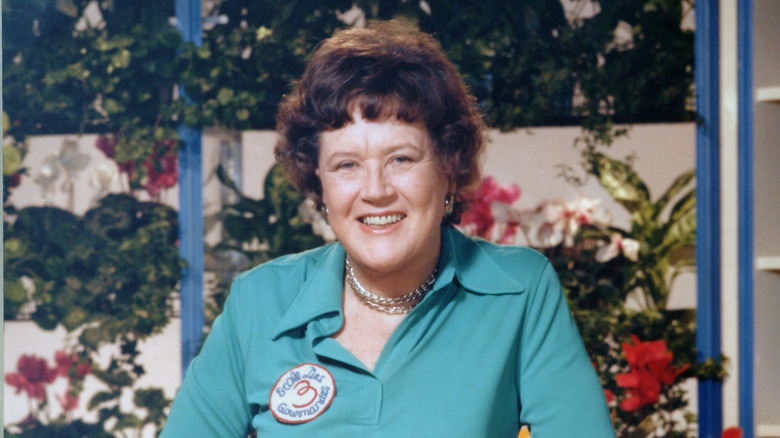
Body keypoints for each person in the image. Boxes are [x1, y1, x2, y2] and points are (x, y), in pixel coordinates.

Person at [161, 20, 614, 437]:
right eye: (347, 165)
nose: (375, 191)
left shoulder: (519, 291)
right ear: (317, 181)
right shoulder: (259, 302)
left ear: (448, 167)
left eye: (401, 159)